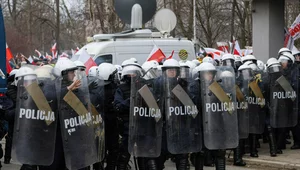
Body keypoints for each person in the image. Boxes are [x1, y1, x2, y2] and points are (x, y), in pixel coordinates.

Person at [114, 63, 143, 170]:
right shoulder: (121, 88)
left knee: (144, 157)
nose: (131, 76)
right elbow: (118, 106)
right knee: (124, 156)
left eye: (134, 74)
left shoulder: (144, 87)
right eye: (129, 74)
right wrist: (131, 100)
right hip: (127, 127)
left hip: (142, 126)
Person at [98, 63, 120, 170]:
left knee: (106, 149)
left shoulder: (95, 88)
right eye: (113, 75)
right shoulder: (112, 89)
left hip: (105, 124)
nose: (115, 77)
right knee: (111, 149)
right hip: (107, 124)